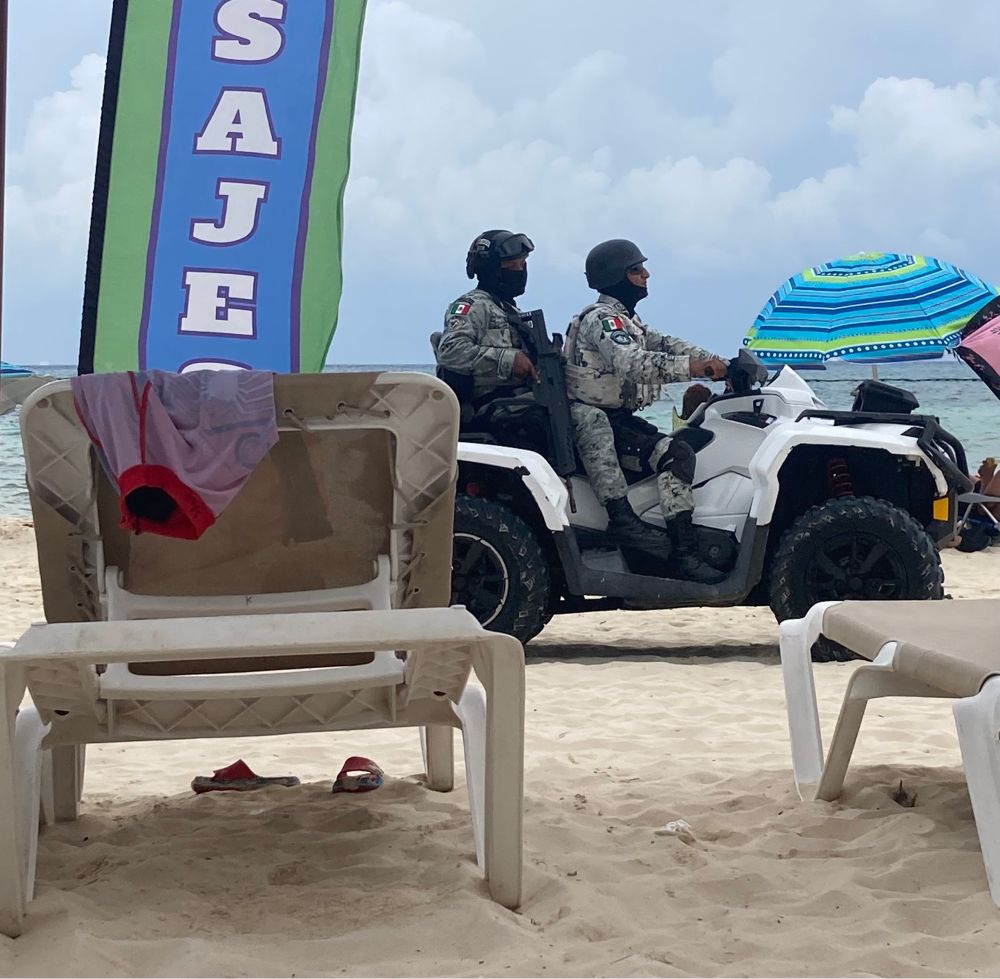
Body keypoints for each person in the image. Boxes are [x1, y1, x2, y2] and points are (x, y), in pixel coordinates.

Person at [564, 239, 729, 583]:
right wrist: (696, 369)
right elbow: (633, 364)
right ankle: (647, 534)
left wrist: (723, 364)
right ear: (615, 276)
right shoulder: (603, 321)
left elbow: (667, 343)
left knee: (679, 451)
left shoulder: (628, 321)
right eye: (636, 269)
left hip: (617, 416)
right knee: (677, 454)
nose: (645, 274)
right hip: (595, 417)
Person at [431, 230, 538, 405]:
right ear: (489, 269)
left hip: (519, 399)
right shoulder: (473, 306)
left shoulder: (509, 311)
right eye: (511, 266)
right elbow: (451, 351)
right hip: (490, 406)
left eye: (523, 264)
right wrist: (509, 360)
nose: (519, 271)